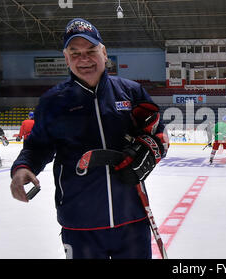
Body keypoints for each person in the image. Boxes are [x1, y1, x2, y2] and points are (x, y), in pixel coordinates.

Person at [9, 18, 169, 259]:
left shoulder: (132, 92)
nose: (84, 58)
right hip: (80, 224)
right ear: (66, 58)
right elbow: (36, 146)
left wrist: (150, 150)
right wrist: (23, 167)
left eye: (91, 50)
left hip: (132, 219)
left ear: (104, 53)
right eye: (75, 52)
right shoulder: (54, 102)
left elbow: (158, 134)